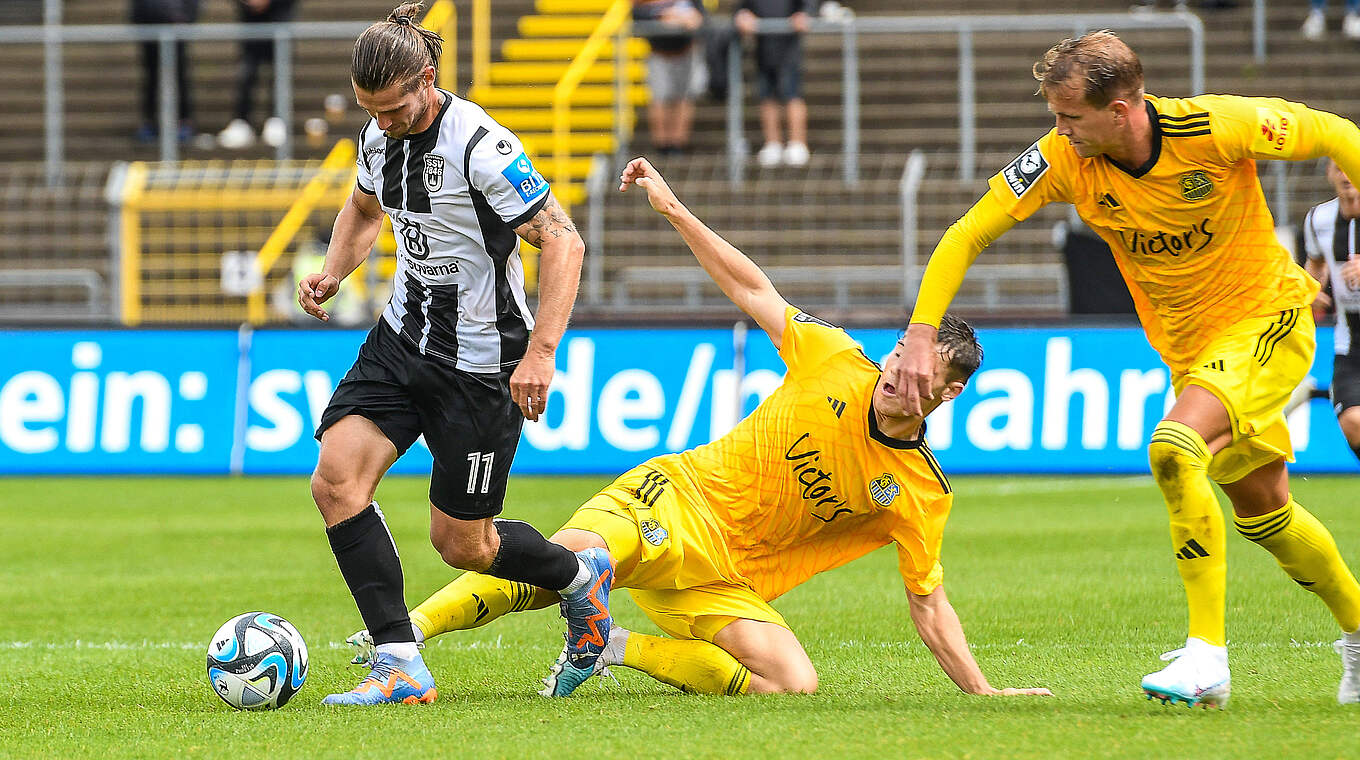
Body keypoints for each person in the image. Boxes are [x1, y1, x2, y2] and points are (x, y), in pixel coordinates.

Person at [346, 157, 1052, 701]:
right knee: (566, 565)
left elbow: (928, 603)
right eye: (903, 350)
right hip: (675, 500)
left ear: (950, 392)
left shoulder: (920, 493)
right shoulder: (837, 359)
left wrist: (982, 692)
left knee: (791, 684)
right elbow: (753, 290)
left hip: (724, 578)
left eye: (920, 370)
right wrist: (676, 209)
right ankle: (404, 640)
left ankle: (608, 646)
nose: (901, 370)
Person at [895, 30, 1360, 709]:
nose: (1059, 132)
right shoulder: (1062, 158)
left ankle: (1207, 660)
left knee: (1174, 447)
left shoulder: (1216, 126)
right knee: (1267, 516)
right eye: (1054, 117)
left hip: (1269, 321)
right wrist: (919, 332)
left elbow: (1338, 133)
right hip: (1193, 355)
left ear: (1123, 108)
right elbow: (969, 231)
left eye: (1070, 117)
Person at [296, 3, 610, 706]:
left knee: (464, 545)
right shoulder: (378, 139)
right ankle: (400, 665)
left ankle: (579, 575)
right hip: (402, 340)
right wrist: (335, 269)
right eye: (370, 110)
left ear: (428, 80)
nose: (383, 122)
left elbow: (563, 240)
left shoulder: (482, 147)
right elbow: (363, 209)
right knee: (335, 481)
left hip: (482, 363)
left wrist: (542, 353)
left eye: (396, 108)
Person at [1302, 160, 1360, 465]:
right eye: (1339, 168)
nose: (1345, 175)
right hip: (1351, 344)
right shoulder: (1319, 218)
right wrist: (1308, 290)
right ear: (1329, 173)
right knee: (1353, 423)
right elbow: (1316, 265)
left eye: (1352, 166)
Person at [734, 0, 816, 168]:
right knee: (766, 96)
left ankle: (797, 142)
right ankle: (773, 142)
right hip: (763, 49)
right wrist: (743, 16)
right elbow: (742, 8)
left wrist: (805, 14)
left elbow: (808, 6)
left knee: (792, 95)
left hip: (789, 49)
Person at [217, 0, 298, 149]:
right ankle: (242, 121)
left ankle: (277, 119)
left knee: (279, 73)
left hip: (279, 19)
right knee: (247, 73)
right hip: (250, 25)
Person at [633, 0, 707, 157]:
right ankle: (662, 144)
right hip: (659, 53)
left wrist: (690, 19)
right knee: (659, 99)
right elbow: (637, 14)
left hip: (685, 51)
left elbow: (701, 17)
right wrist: (663, 16)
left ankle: (677, 143)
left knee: (683, 98)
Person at [130, 0, 199, 144]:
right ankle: (149, 122)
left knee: (179, 77)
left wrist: (186, 20)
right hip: (150, 34)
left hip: (177, 34)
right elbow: (137, 7)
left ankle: (184, 121)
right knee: (151, 79)